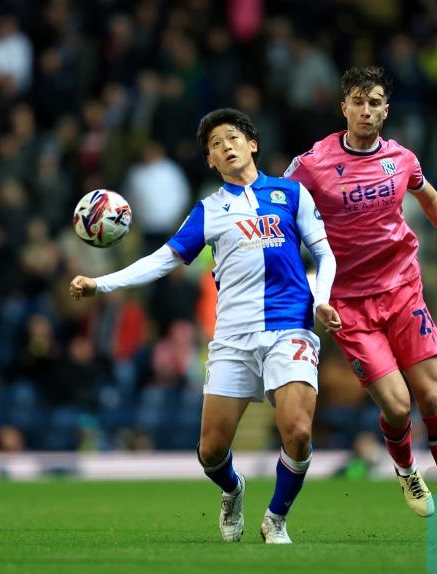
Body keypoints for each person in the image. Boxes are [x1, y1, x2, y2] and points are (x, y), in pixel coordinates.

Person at [70, 108, 342, 544]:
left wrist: (323, 299)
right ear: (211, 163)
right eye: (215, 145)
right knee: (212, 451)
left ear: (252, 144)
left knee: (300, 431)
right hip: (233, 335)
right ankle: (233, 490)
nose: (226, 146)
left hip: (290, 326)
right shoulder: (209, 211)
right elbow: (163, 260)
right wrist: (100, 284)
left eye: (232, 138)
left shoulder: (291, 194)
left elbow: (325, 254)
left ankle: (276, 518)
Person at [284, 66, 437, 543]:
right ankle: (406, 467)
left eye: (375, 102)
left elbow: (430, 199)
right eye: (358, 101)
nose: (367, 110)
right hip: (350, 303)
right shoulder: (312, 164)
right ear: (344, 108)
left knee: (432, 397)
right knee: (396, 406)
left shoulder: (401, 159)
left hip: (402, 289)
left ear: (385, 110)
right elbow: (277, 206)